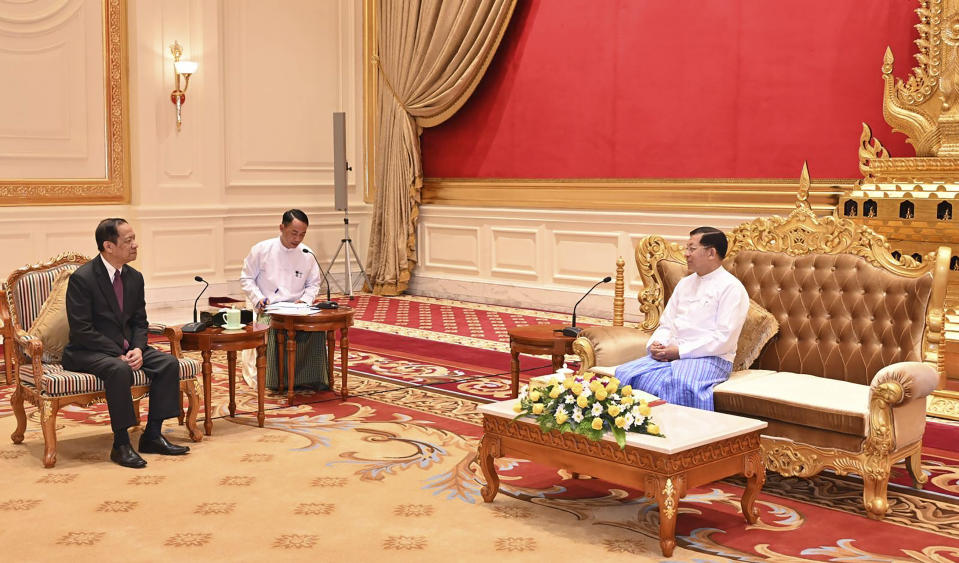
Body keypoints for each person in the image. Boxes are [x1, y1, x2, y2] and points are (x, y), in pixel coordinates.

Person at [62, 218, 190, 468]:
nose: (135, 245)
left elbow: (140, 322)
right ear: (108, 246)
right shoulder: (83, 279)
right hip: (88, 350)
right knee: (119, 369)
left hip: (127, 349)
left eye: (134, 238)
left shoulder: (134, 277)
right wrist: (119, 352)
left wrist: (138, 349)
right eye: (128, 240)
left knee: (168, 363)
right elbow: (81, 329)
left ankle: (153, 435)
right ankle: (121, 444)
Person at [614, 226, 749, 410]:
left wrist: (679, 352)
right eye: (687, 248)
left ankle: (679, 436)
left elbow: (723, 339)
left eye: (692, 249)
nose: (686, 254)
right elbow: (666, 324)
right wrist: (657, 344)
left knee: (678, 384)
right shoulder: (685, 284)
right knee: (623, 374)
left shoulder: (731, 288)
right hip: (672, 355)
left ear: (711, 253)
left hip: (711, 359)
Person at [240, 209, 328, 391]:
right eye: (293, 233)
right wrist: (259, 299)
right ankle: (273, 379)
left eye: (302, 234)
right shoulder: (261, 250)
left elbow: (313, 284)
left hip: (297, 309)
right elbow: (246, 278)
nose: (297, 239)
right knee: (266, 330)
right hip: (266, 308)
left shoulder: (307, 253)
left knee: (317, 328)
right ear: (282, 228)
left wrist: (305, 301)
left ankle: (308, 377)